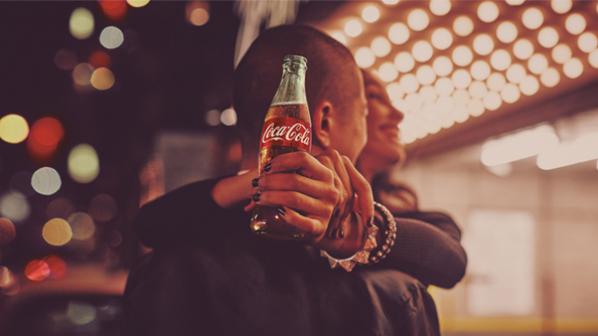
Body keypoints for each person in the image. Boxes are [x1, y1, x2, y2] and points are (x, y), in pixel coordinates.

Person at [124, 25, 441, 336]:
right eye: (363, 113)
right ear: (324, 120)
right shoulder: (396, 295)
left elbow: (150, 223)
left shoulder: (167, 273)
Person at [357, 70, 467, 288]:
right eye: (375, 97)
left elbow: (450, 260)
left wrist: (358, 232)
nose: (398, 114)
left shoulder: (430, 223)